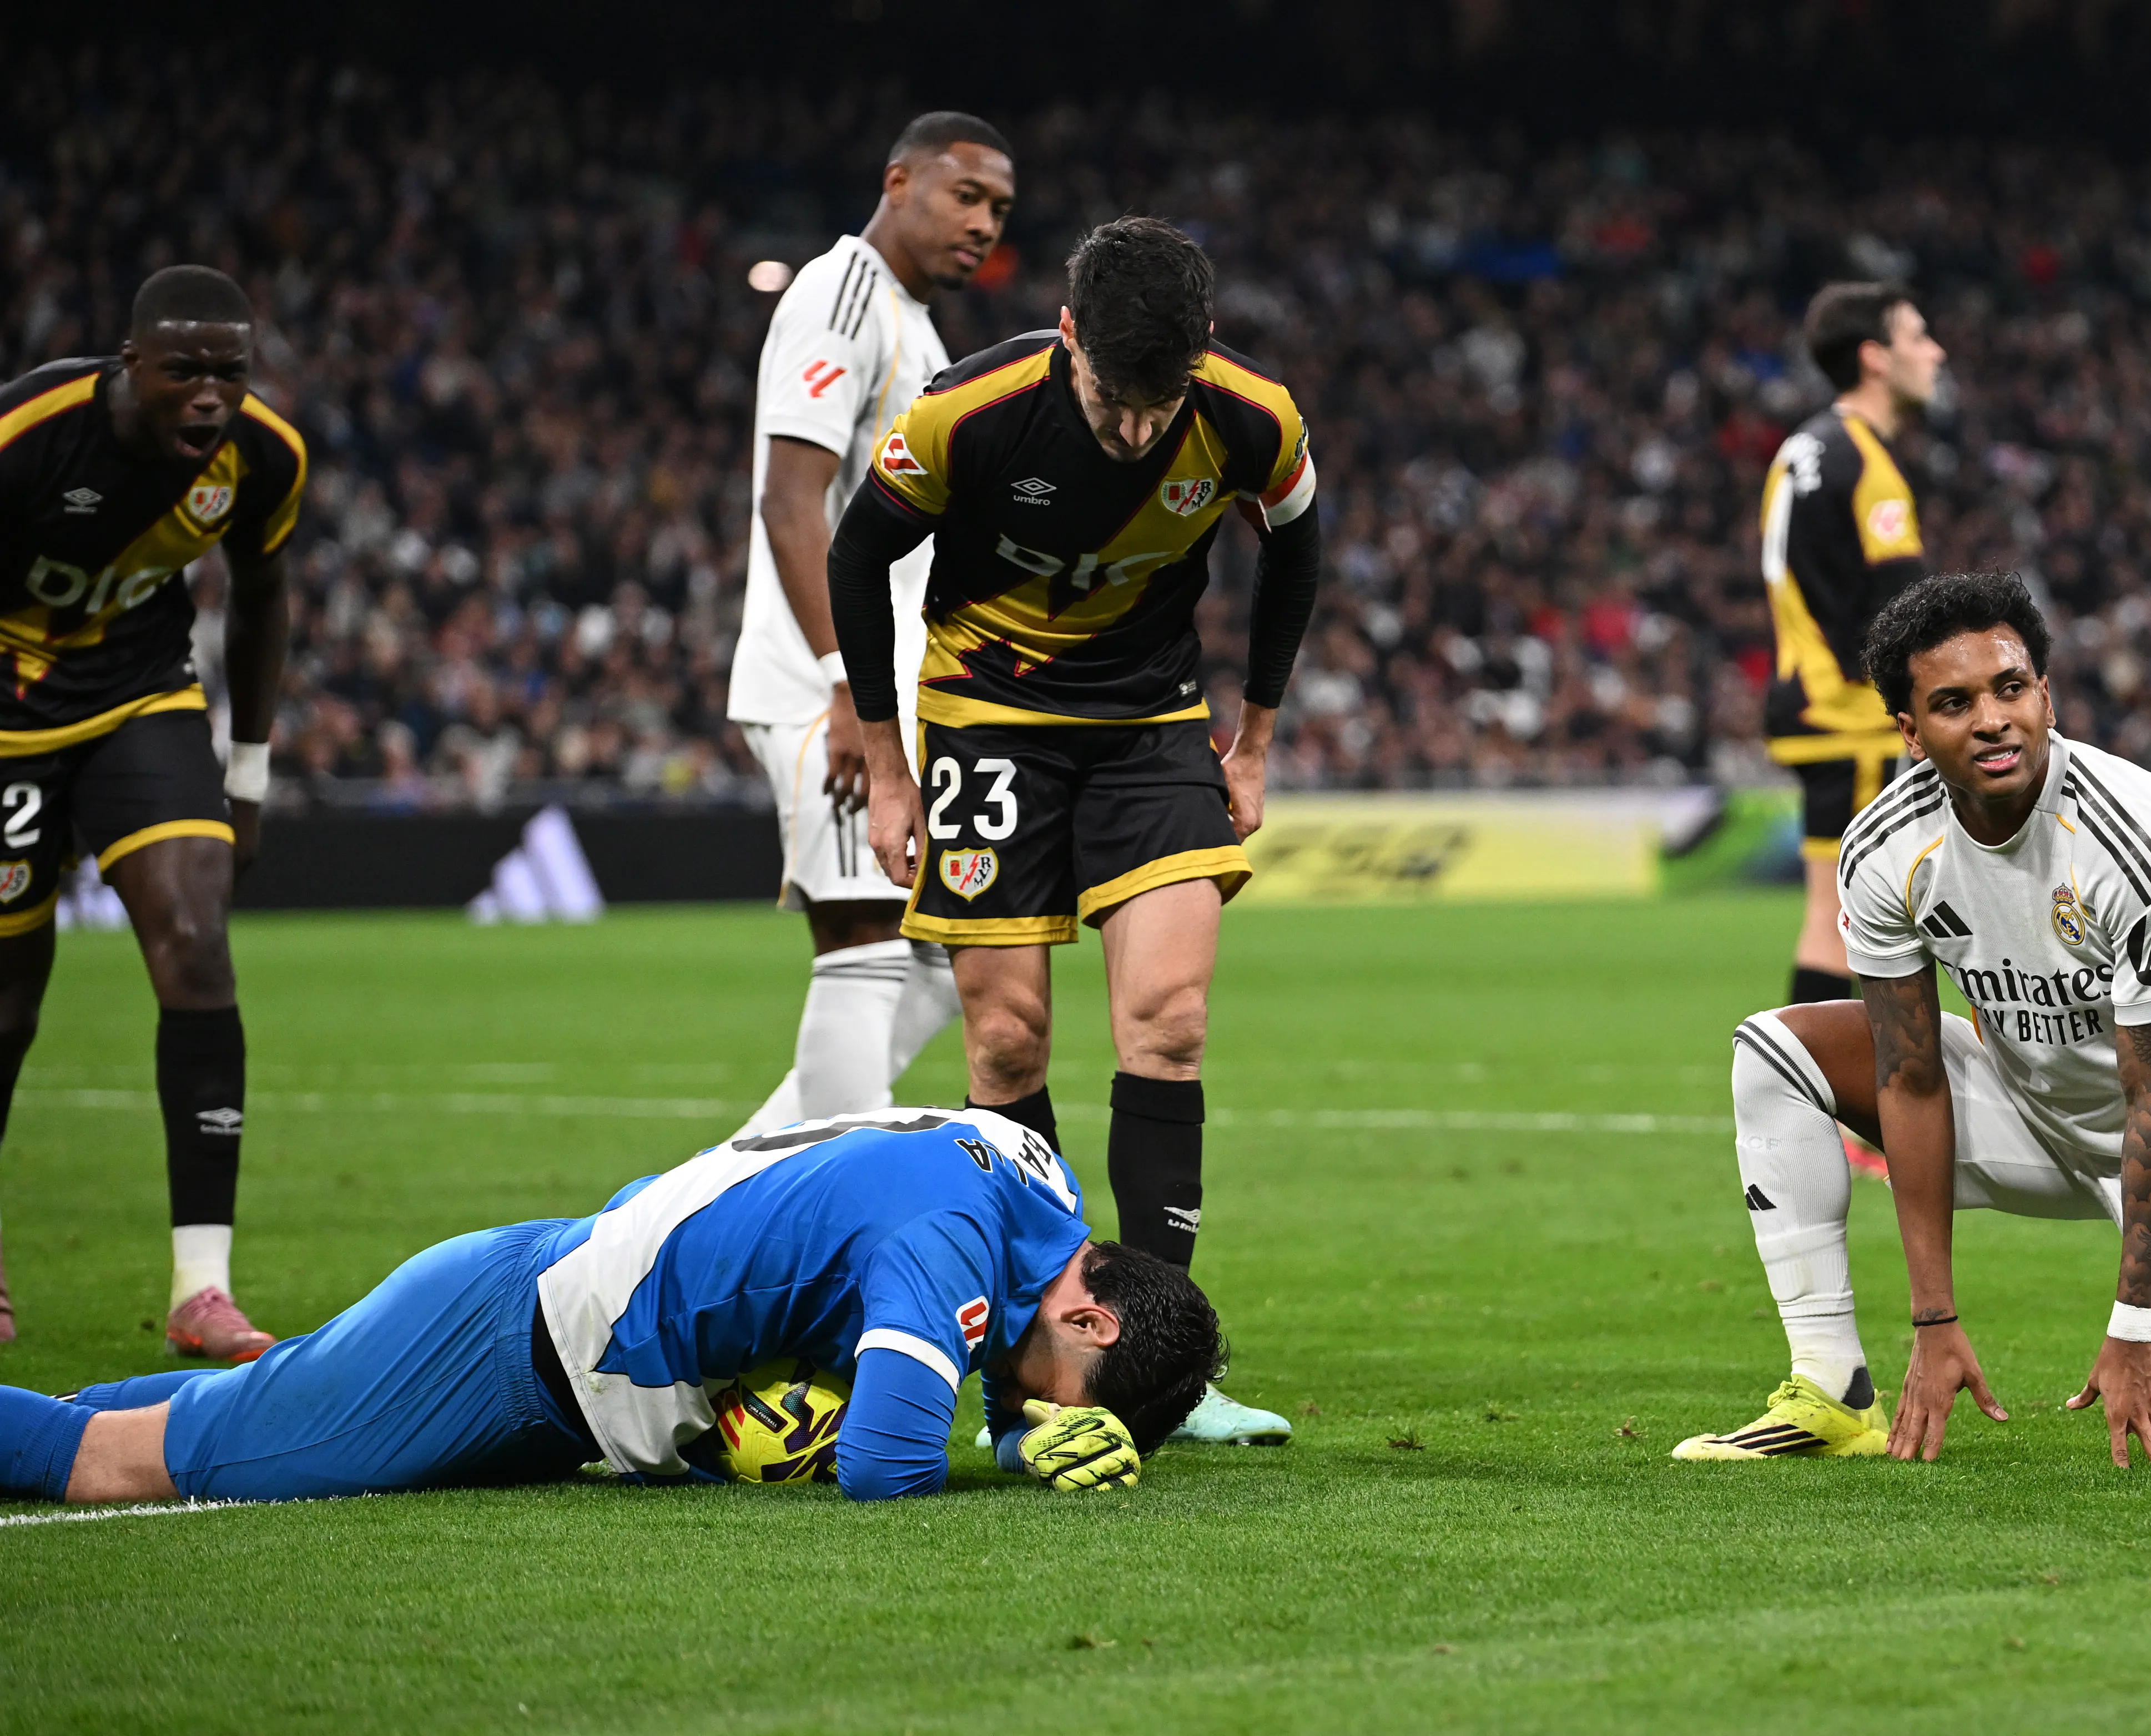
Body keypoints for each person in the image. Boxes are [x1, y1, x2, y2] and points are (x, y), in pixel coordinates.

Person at [1679, 571, 2151, 1468]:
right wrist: (1934, 1318)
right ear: (1911, 731)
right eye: (1953, 701)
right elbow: (1910, 1076)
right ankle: (1832, 1389)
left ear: (2046, 694)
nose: (1992, 718)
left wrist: (2130, 1328)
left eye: (2011, 687)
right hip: (2027, 1109)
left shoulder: (2144, 833)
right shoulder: (1887, 848)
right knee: (1773, 1049)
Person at [827, 216, 1319, 1445]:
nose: (1138, 428)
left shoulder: (1253, 416)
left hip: (1154, 721)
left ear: (1199, 358)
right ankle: (1024, 1379)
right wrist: (890, 767)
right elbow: (856, 554)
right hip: (989, 722)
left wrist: (1253, 739)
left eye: (1162, 405)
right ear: (1066, 337)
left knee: (1172, 1020)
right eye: (1113, 397)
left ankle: (1166, 1371)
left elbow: (1299, 549)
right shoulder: (966, 414)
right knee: (1005, 1043)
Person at [0, 1106, 1221, 1506]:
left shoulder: (1032, 1181)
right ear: (1095, 1318)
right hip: (501, 1351)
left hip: (543, 1325)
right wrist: (1009, 1452)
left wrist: (1014, 1419)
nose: (1026, 1399)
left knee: (223, 1416)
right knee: (120, 1467)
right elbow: (888, 1464)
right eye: (1054, 1390)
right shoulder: (951, 1246)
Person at [0, 266, 301, 1357]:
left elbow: (263, 598)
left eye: (231, 370)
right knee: (8, 1014)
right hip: (8, 718)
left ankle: (201, 1289)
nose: (212, 395)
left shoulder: (263, 457)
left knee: (196, 947)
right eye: (185, 372)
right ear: (132, 366)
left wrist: (250, 774)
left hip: (142, 697)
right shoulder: (28, 436)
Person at [726, 114, 1017, 1140]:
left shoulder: (917, 327)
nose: (983, 224)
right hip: (834, 687)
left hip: (886, 683)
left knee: (942, 959)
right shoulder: (842, 294)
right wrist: (848, 687)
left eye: (999, 210)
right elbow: (788, 500)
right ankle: (848, 1225)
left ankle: (715, 1186)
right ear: (899, 181)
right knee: (863, 943)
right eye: (966, 196)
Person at [1760, 281, 1944, 1011]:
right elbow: (1904, 612)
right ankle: (1838, 1109)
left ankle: (1822, 1108)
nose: (1936, 352)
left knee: (1828, 916)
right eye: (1918, 336)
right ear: (1874, 357)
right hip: (1854, 715)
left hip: (1809, 699)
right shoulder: (1866, 463)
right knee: (1857, 924)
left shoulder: (1803, 448)